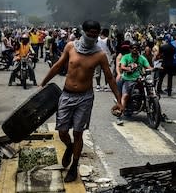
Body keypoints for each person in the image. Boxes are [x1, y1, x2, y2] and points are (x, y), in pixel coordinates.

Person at [39, 20, 123, 183]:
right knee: (62, 132)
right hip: (66, 95)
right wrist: (42, 83)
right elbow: (57, 66)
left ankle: (74, 167)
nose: (92, 36)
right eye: (89, 32)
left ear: (98, 34)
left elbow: (110, 78)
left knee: (78, 133)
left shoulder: (99, 54)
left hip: (85, 97)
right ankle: (69, 147)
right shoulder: (71, 46)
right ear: (83, 31)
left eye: (95, 33)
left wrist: (119, 100)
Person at [117, 41, 152, 125]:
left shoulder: (142, 58)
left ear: (139, 49)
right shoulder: (126, 57)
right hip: (128, 79)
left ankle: (157, 113)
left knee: (150, 91)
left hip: (140, 79)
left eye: (136, 48)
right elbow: (122, 66)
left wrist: (154, 69)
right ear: (130, 49)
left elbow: (148, 67)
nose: (135, 49)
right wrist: (127, 69)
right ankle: (119, 116)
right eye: (133, 48)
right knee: (125, 96)